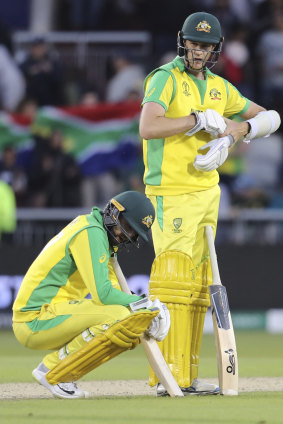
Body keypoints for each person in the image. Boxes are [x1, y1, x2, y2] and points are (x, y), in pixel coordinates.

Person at [139, 11, 281, 396]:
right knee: (173, 281)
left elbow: (271, 117)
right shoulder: (165, 78)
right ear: (182, 41)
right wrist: (196, 120)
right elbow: (148, 127)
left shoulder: (221, 87)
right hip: (171, 192)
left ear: (215, 49)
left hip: (207, 194)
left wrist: (237, 131)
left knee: (200, 287)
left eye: (205, 46)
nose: (198, 51)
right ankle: (164, 378)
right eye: (193, 43)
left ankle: (186, 376)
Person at [12, 191, 170, 399]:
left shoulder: (96, 231)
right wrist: (146, 304)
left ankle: (61, 373)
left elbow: (115, 287)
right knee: (118, 318)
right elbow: (103, 295)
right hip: (34, 318)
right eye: (129, 227)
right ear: (114, 212)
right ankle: (54, 370)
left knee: (128, 325)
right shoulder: (90, 232)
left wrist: (140, 308)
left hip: (52, 313)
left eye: (134, 233)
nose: (128, 235)